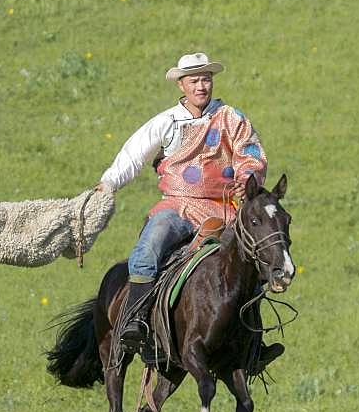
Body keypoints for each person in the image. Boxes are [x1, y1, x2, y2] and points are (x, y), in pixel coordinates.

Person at [94, 52, 283, 369]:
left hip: (222, 207)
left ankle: (252, 339)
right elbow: (134, 154)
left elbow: (250, 152)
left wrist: (246, 179)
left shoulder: (231, 118)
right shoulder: (166, 122)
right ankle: (136, 322)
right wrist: (109, 183)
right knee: (148, 249)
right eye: (194, 80)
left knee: (251, 255)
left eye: (206, 79)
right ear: (181, 85)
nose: (201, 86)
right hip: (177, 206)